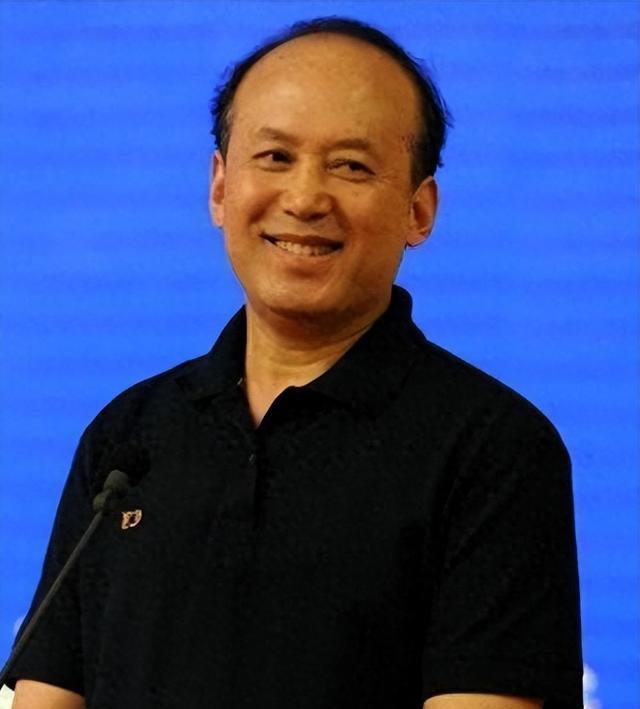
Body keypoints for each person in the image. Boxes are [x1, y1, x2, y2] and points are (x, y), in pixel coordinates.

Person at [8, 16, 582, 709]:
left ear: (419, 210)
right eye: (275, 156)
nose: (306, 198)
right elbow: (48, 693)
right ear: (220, 188)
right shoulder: (129, 439)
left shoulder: (492, 450)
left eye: (352, 165)